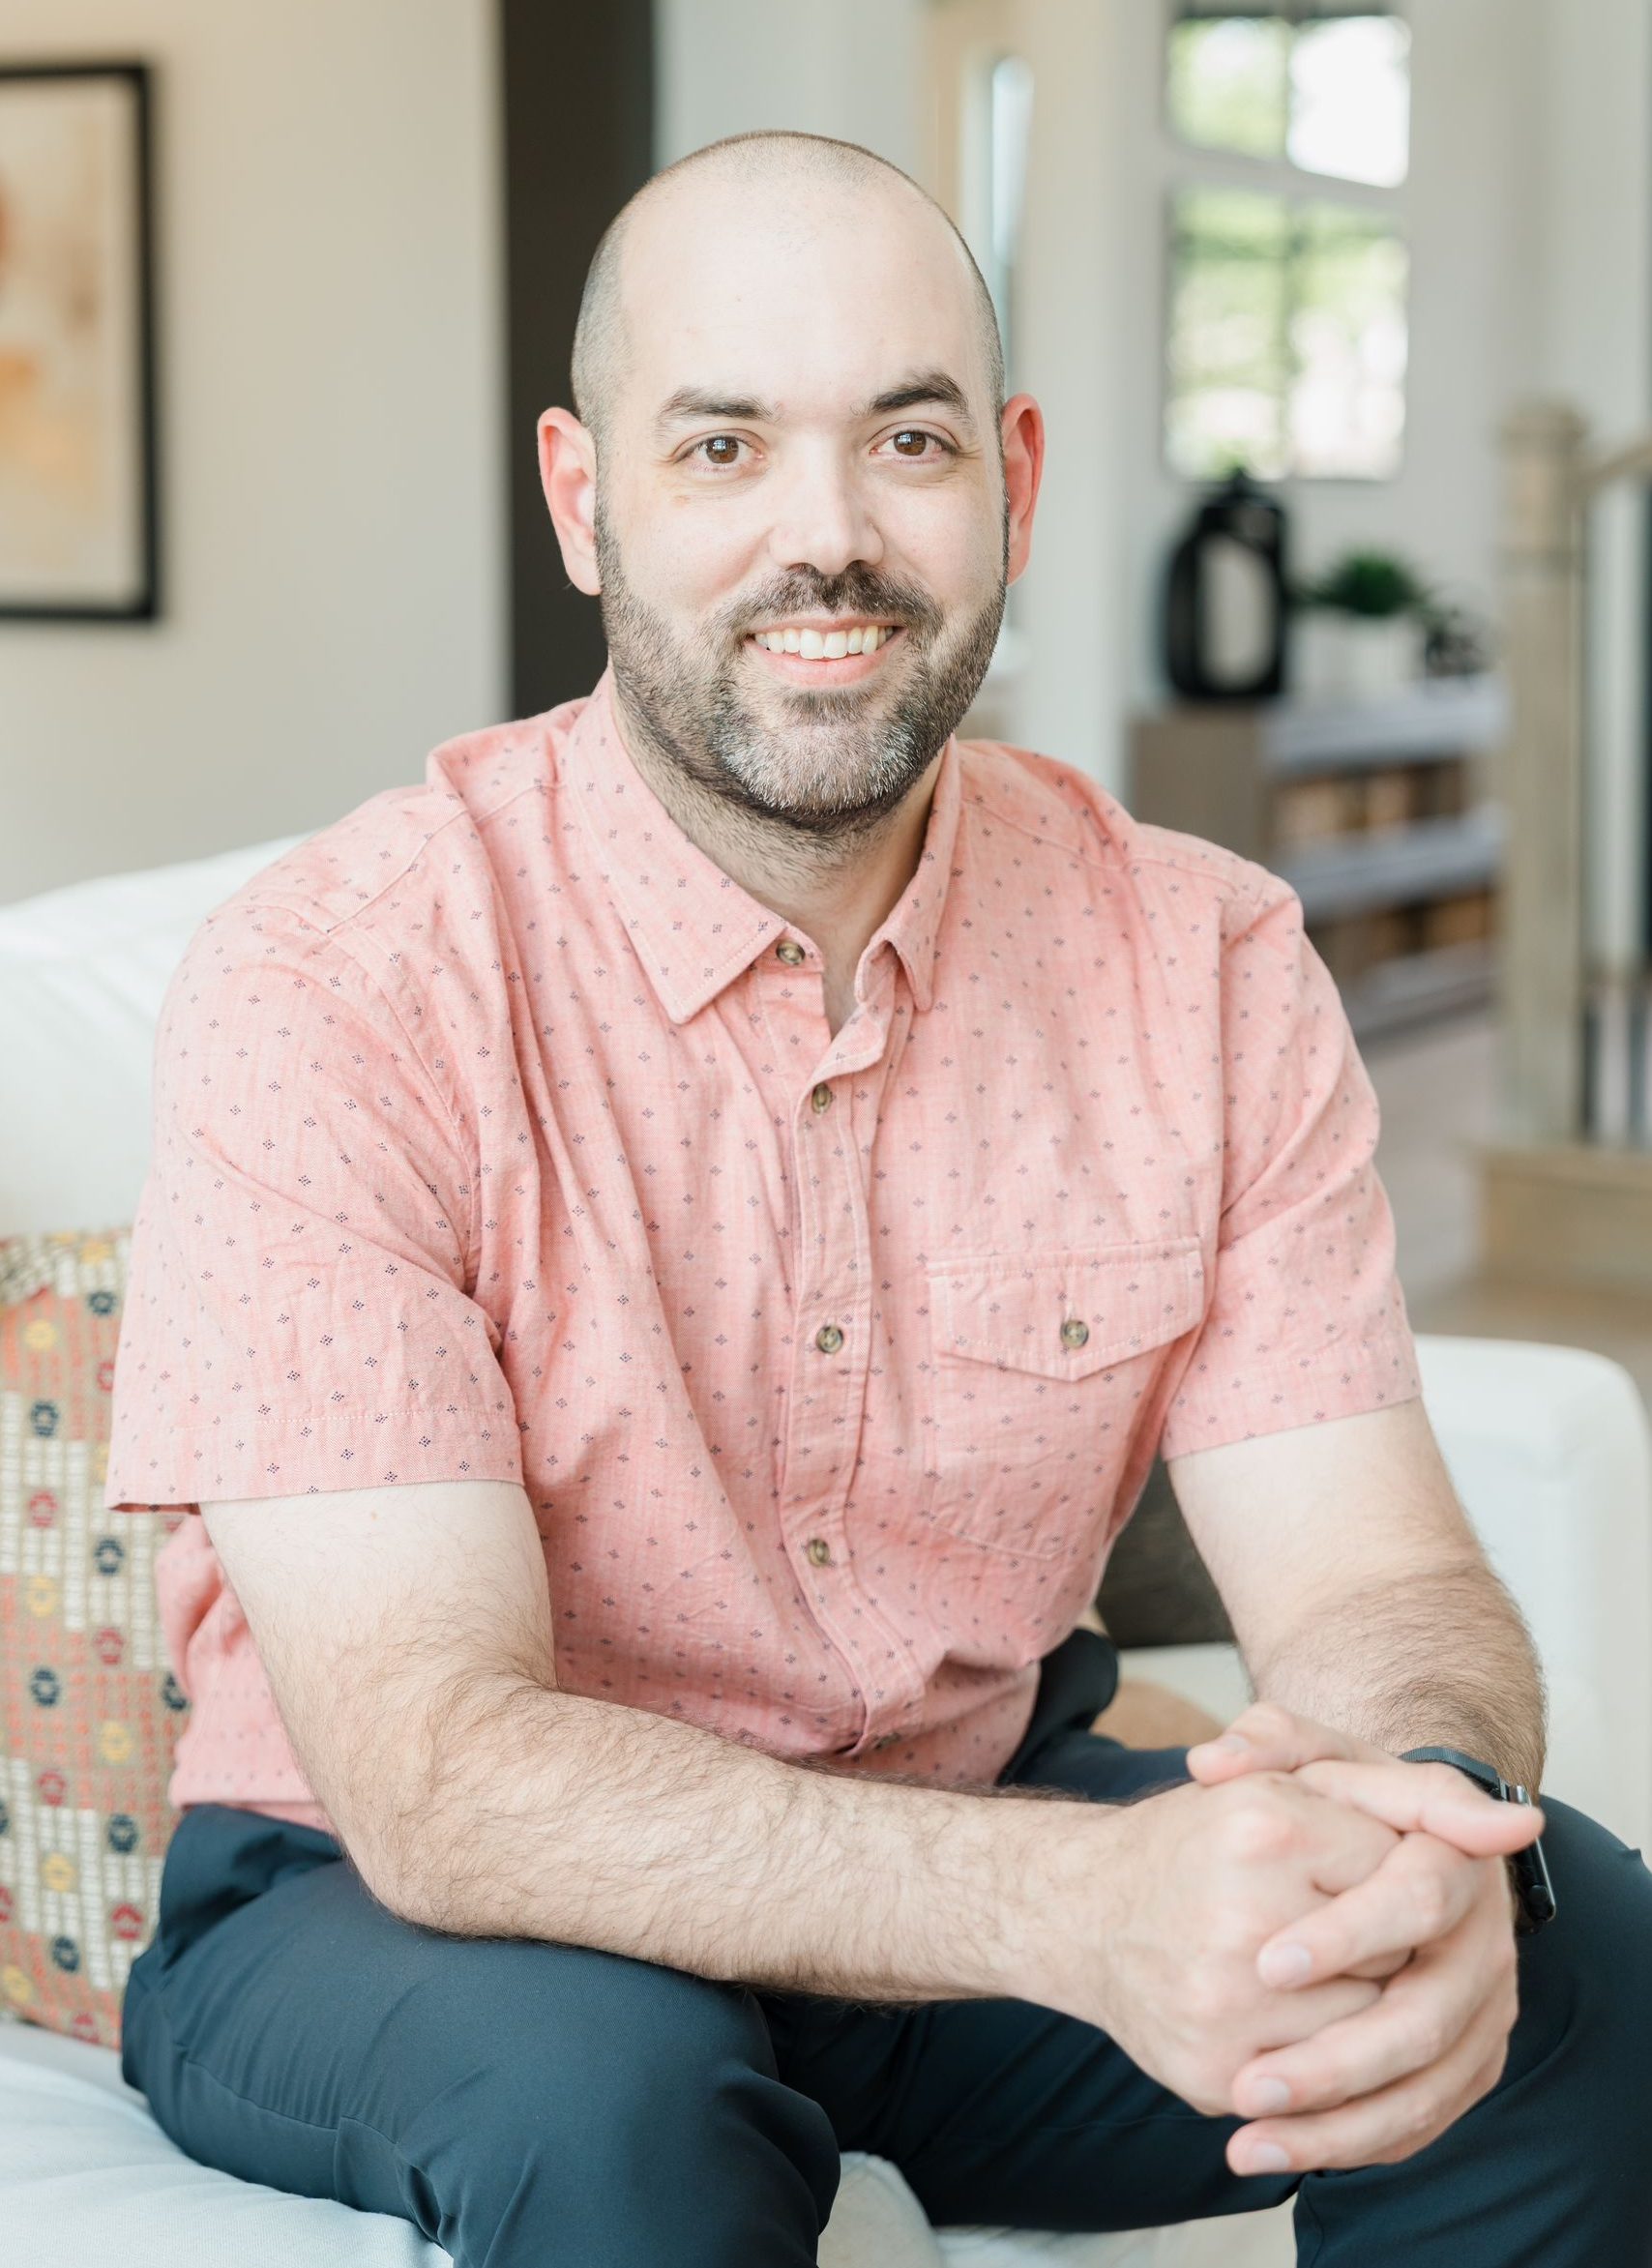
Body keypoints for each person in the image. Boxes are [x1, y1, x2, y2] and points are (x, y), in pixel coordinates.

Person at [104, 130, 1652, 2267]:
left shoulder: (1193, 958)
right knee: (614, 2111)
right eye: (721, 443)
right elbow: (435, 1766)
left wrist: (1416, 1820)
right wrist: (1071, 1903)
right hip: (394, 1908)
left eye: (903, 437)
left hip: (964, 1829)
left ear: (1009, 471)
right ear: (584, 495)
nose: (822, 537)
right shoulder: (341, 978)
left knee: (1568, 1959)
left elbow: (1378, 1581)